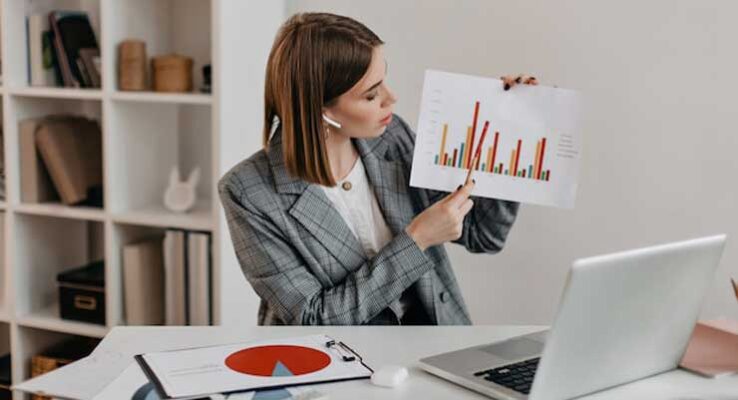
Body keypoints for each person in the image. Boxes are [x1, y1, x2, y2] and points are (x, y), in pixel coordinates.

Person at [218, 12, 535, 325]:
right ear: (320, 109)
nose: (391, 99)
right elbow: (313, 318)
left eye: (383, 82)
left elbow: (485, 236)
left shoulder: (392, 138)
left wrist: (504, 136)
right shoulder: (247, 192)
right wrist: (416, 240)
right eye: (371, 94)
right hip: (334, 362)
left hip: (431, 343)